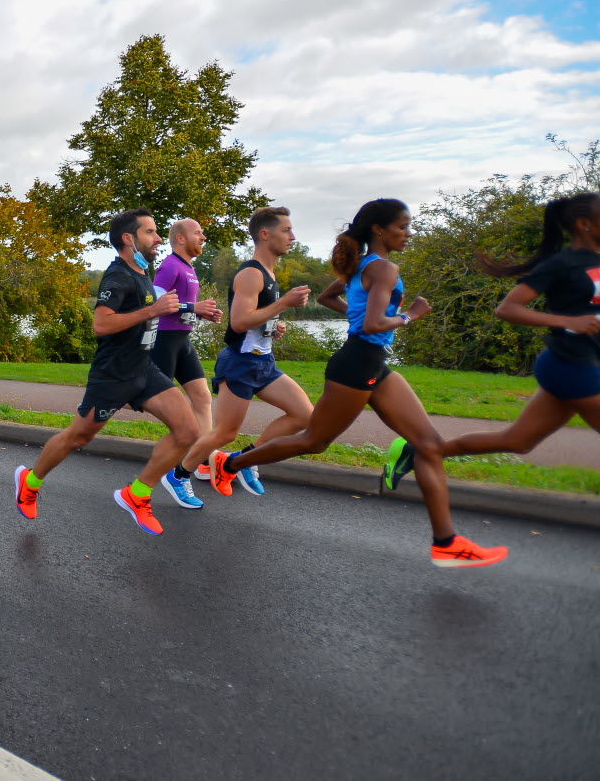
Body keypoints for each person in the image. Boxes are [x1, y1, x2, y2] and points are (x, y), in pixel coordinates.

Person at [384, 193, 600, 580]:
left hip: (587, 363)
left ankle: (421, 449)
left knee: (518, 440)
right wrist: (567, 321)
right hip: (572, 368)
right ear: (585, 224)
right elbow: (508, 308)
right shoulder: (561, 264)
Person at [215, 198, 508, 568]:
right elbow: (372, 324)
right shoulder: (383, 267)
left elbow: (328, 299)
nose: (409, 233)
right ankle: (231, 463)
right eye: (402, 226)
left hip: (373, 363)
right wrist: (409, 316)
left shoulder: (362, 265)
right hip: (356, 366)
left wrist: (363, 317)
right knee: (314, 441)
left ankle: (446, 543)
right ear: (379, 230)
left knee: (429, 444)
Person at [10, 209, 202, 531]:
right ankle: (29, 482)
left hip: (144, 368)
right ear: (129, 239)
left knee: (188, 431)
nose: (158, 239)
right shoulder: (118, 276)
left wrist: (184, 311)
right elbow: (101, 324)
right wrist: (153, 309)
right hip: (113, 374)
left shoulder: (141, 272)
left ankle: (137, 494)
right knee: (78, 436)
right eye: (150, 233)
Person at [174, 207, 313, 505]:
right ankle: (179, 475)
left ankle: (242, 460)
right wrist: (284, 304)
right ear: (265, 234)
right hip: (240, 363)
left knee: (304, 415)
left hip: (264, 362)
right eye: (286, 230)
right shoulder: (251, 272)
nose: (292, 236)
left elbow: (254, 317)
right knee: (224, 432)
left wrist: (273, 325)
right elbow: (237, 322)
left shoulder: (269, 272)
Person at [148, 220, 221, 472]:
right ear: (180, 238)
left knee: (202, 397)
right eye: (197, 233)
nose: (203, 236)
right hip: (165, 341)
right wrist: (194, 307)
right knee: (153, 400)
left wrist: (202, 313)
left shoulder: (188, 267)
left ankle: (203, 459)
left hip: (183, 341)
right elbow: (155, 300)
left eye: (202, 232)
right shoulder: (169, 265)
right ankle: (108, 395)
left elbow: (183, 306)